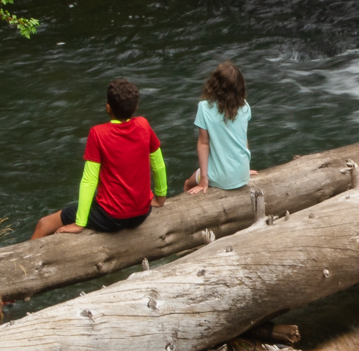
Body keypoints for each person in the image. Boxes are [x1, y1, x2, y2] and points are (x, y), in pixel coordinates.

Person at [32, 78, 167, 238]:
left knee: (44, 224)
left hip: (111, 217)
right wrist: (160, 198)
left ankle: (20, 263)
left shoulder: (98, 134)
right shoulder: (144, 124)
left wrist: (79, 223)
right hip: (141, 214)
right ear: (136, 107)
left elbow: (89, 180)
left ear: (108, 107)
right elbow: (158, 165)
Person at [184, 62, 255, 194]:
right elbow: (243, 139)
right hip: (242, 173)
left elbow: (203, 143)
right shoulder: (245, 106)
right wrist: (245, 168)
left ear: (214, 85)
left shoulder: (204, 107)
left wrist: (204, 179)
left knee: (188, 183)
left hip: (220, 178)